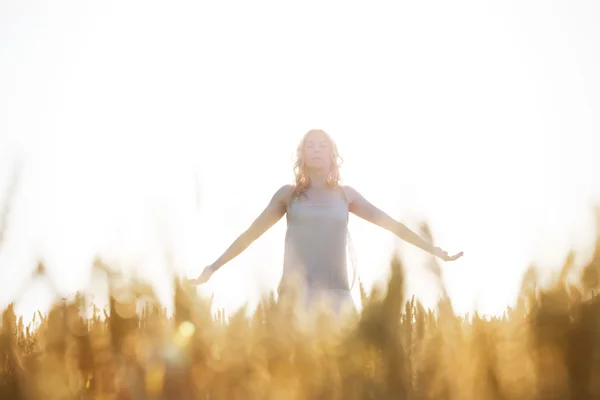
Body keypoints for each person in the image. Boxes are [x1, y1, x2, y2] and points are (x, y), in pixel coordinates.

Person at [189, 129, 463, 316]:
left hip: (337, 297)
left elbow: (393, 226)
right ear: (302, 154)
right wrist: (212, 267)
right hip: (295, 299)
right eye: (311, 145)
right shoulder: (288, 195)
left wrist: (435, 252)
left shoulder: (346, 196)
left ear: (333, 154)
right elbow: (250, 235)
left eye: (324, 145)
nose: (317, 150)